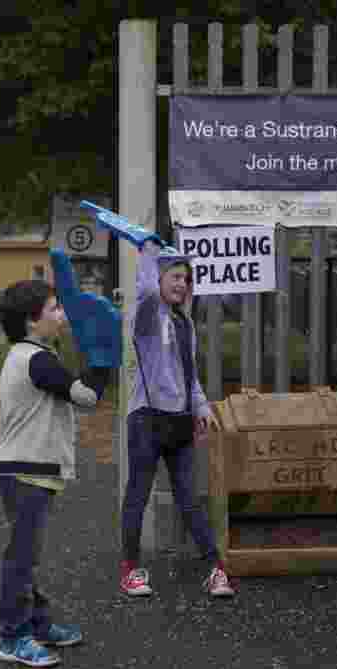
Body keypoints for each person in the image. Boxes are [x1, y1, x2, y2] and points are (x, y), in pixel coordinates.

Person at [0, 279, 113, 668]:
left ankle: (37, 624)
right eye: (54, 309)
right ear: (31, 321)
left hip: (26, 469)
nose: (61, 315)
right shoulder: (36, 360)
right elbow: (86, 397)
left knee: (28, 557)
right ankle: (14, 638)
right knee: (21, 560)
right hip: (25, 470)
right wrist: (103, 354)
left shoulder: (30, 354)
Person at [115, 238, 235, 598]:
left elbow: (190, 374)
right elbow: (149, 291)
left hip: (179, 422)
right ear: (159, 277)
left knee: (189, 499)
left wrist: (200, 406)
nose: (181, 283)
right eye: (174, 276)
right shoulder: (147, 317)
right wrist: (147, 253)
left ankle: (215, 569)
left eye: (185, 277)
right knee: (137, 495)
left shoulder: (185, 322)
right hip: (147, 421)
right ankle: (130, 570)